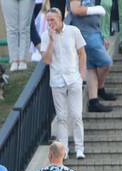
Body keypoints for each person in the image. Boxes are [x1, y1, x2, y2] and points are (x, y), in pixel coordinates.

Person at [40, 10, 87, 159]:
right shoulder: (45, 36)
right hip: (57, 80)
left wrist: (81, 75)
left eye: (52, 20)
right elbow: (46, 60)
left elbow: (82, 53)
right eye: (48, 21)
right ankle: (64, 150)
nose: (50, 23)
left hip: (73, 78)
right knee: (61, 117)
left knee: (76, 115)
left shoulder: (73, 31)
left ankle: (80, 148)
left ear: (60, 18)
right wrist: (51, 41)